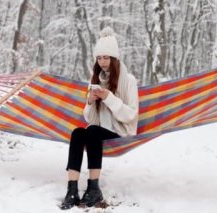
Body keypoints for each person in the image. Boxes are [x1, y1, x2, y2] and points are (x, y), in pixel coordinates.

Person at [60, 27, 139, 210]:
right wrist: (90, 101)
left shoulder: (129, 81)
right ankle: (72, 190)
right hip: (99, 129)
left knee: (92, 132)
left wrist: (108, 98)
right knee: (79, 132)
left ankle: (94, 188)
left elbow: (130, 115)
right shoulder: (95, 79)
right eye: (99, 58)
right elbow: (89, 118)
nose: (102, 62)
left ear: (114, 58)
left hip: (121, 132)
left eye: (106, 57)